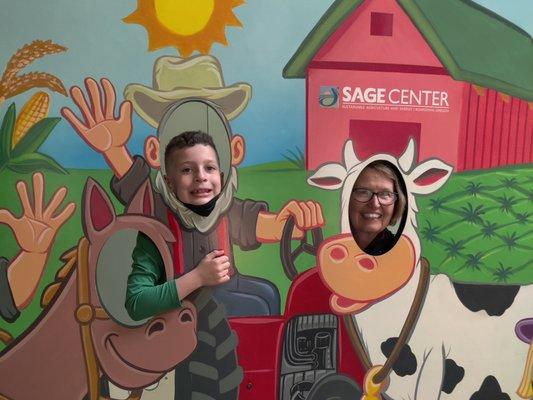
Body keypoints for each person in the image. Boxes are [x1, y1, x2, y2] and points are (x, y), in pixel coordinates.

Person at [125, 130, 231, 320]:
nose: (201, 176)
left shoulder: (230, 214)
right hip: (184, 326)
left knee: (267, 293)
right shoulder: (156, 232)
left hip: (226, 314)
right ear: (170, 183)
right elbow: (136, 303)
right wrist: (198, 277)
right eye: (186, 170)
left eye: (209, 168)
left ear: (221, 177)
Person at [349, 160, 406, 255]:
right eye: (363, 192)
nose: (375, 204)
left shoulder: (403, 255)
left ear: (397, 204)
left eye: (385, 194)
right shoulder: (326, 245)